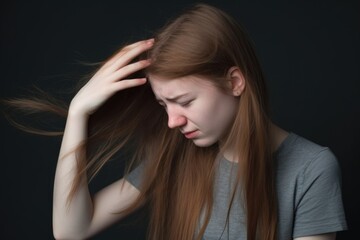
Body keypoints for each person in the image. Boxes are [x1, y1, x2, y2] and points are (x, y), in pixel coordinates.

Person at [4, 3, 347, 240]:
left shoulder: (311, 169)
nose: (172, 121)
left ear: (235, 82)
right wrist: (79, 112)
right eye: (162, 104)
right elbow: (70, 230)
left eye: (184, 101)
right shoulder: (176, 155)